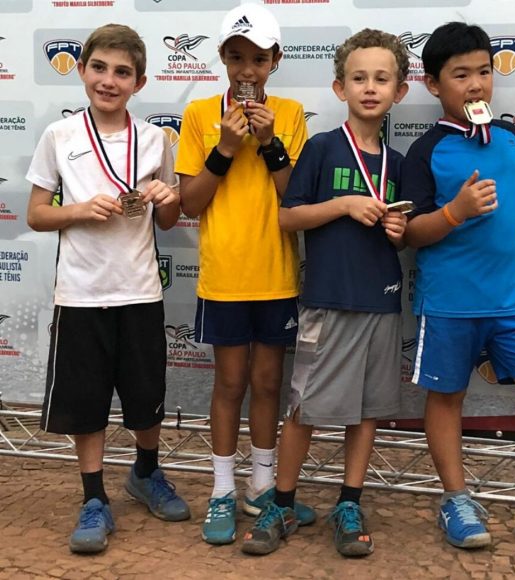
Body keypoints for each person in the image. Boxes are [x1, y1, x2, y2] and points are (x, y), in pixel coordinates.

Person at [403, 21, 515, 550]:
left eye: (484, 71)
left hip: (512, 301)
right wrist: (454, 212)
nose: (477, 84)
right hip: (449, 302)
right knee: (446, 397)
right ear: (434, 84)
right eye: (461, 75)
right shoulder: (426, 151)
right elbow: (411, 233)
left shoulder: (509, 137)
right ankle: (456, 499)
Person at [241, 28, 410, 558]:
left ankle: (349, 503)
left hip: (381, 300)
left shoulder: (399, 163)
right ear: (340, 88)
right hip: (328, 299)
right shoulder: (321, 147)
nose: (370, 87)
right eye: (359, 78)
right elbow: (288, 217)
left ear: (400, 91)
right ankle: (282, 503)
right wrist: (343, 205)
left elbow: (404, 232)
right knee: (305, 408)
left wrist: (398, 230)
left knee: (367, 411)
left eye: (381, 79)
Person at [26, 23, 190, 554]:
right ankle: (94, 497)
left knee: (146, 396)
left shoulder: (155, 139)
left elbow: (168, 219)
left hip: (139, 290)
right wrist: (77, 210)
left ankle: (146, 472)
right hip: (80, 293)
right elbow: (35, 214)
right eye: (99, 68)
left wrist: (169, 198)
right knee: (87, 401)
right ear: (82, 70)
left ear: (138, 83)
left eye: (122, 72)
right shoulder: (60, 136)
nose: (109, 80)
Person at [175, 3, 315, 545]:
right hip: (225, 276)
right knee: (230, 383)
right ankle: (221, 491)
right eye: (236, 57)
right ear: (221, 58)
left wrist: (270, 143)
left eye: (258, 58)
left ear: (275, 60)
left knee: (268, 383)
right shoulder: (199, 114)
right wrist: (226, 149)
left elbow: (294, 198)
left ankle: (261, 485)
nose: (247, 70)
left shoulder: (291, 114)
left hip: (276, 275)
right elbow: (190, 203)